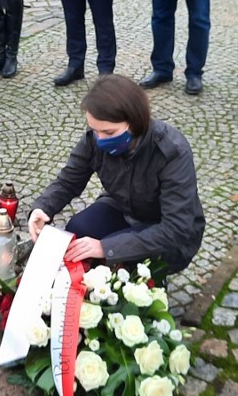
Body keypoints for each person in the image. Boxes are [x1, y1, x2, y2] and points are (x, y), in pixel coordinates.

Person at [28, 74, 205, 279]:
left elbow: (176, 228)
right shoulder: (95, 138)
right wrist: (42, 207)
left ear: (135, 121)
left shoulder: (171, 151)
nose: (100, 140)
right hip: (122, 206)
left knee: (115, 257)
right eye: (95, 131)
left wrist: (106, 247)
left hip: (164, 227)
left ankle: (147, 286)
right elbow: (69, 181)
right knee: (79, 230)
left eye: (109, 133)